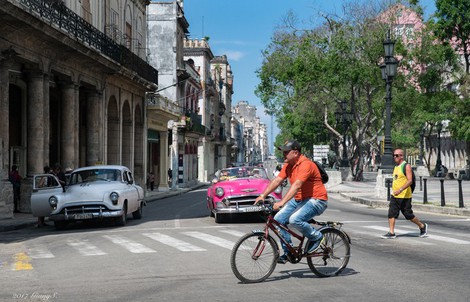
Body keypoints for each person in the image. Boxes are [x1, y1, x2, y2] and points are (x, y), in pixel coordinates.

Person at [254, 140, 328, 264]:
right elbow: (277, 180)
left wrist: (282, 202)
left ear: (295, 152)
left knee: (294, 220)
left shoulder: (306, 165)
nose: (283, 155)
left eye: (286, 152)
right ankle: (288, 251)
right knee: (278, 219)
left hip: (317, 199)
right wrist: (263, 195)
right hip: (300, 199)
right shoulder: (288, 165)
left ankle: (316, 237)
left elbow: (297, 185)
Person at [381, 149, 428, 239]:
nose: (395, 157)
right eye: (394, 155)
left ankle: (422, 226)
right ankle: (391, 233)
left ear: (402, 156)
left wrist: (400, 189)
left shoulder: (406, 166)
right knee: (391, 213)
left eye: (397, 155)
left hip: (405, 195)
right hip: (395, 195)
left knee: (408, 215)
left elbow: (410, 181)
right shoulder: (396, 167)